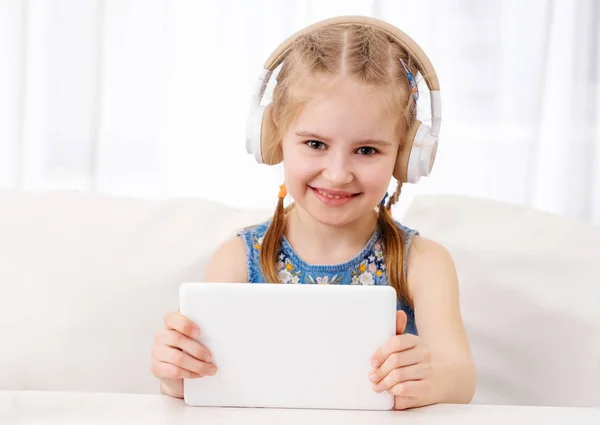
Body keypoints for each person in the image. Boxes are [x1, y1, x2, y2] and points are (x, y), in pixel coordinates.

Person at [150, 16, 476, 410]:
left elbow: (460, 375)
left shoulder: (423, 263)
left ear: (407, 155)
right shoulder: (239, 259)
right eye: (315, 143)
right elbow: (204, 381)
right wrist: (176, 376)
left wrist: (432, 379)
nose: (338, 174)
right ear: (273, 139)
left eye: (368, 150)